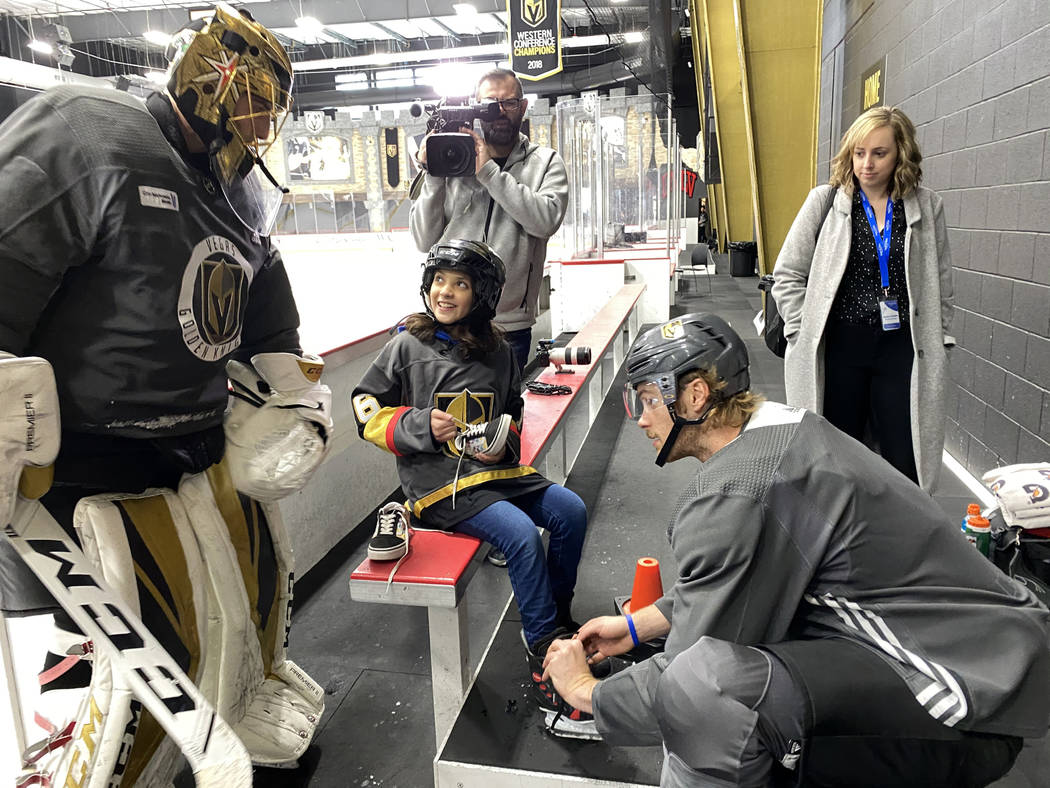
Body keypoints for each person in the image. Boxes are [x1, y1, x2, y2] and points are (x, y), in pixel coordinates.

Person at [0, 5, 330, 783]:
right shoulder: (85, 132)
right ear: (209, 76)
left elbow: (268, 321)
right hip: (73, 465)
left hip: (191, 452)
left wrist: (294, 401)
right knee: (100, 660)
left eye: (270, 110)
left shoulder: (243, 191)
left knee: (208, 630)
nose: (259, 124)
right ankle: (66, 757)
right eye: (251, 98)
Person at [543, 313, 1049, 787]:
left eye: (647, 399)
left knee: (708, 692)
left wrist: (588, 693)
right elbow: (749, 573)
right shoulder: (779, 431)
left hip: (964, 699)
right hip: (990, 664)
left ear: (694, 396)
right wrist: (636, 626)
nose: (639, 418)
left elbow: (684, 675)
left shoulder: (739, 490)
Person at [351, 239, 593, 737]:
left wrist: (502, 446)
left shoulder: (500, 350)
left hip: (495, 474)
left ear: (482, 295)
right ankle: (545, 653)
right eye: (439, 280)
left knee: (570, 510)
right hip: (439, 488)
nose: (445, 291)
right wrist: (416, 425)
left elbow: (512, 413)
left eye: (460, 284)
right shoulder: (406, 346)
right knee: (521, 535)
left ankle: (557, 622)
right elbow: (365, 408)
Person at [771, 105, 953, 492]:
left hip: (902, 348)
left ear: (901, 154)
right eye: (858, 153)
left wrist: (943, 337)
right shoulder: (826, 202)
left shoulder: (926, 206)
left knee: (906, 461)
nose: (866, 164)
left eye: (879, 153)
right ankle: (835, 541)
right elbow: (787, 273)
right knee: (834, 455)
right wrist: (802, 329)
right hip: (839, 347)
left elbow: (941, 280)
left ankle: (900, 541)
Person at [409, 68, 569, 373]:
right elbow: (423, 240)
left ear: (522, 107)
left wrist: (488, 173)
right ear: (475, 107)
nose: (498, 111)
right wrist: (433, 174)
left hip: (510, 325)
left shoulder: (545, 162)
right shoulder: (451, 159)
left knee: (502, 417)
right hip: (449, 319)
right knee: (448, 413)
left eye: (508, 103)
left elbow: (545, 221)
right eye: (489, 103)